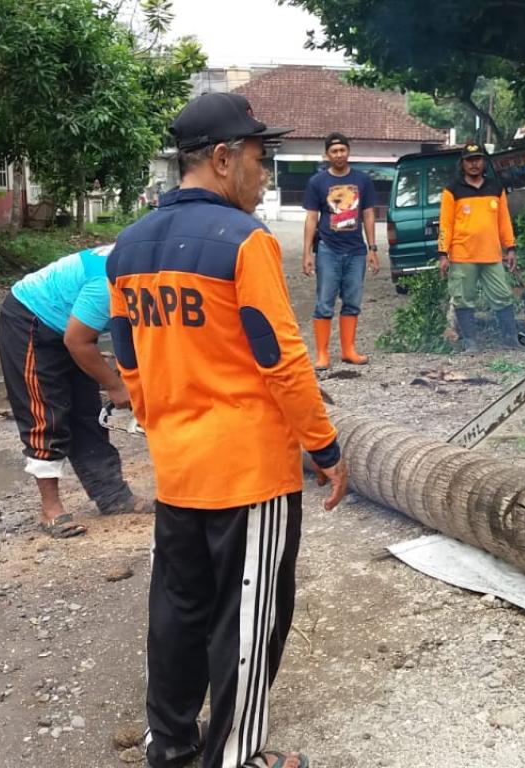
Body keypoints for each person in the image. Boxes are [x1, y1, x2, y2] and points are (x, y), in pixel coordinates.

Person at [107, 91, 348, 768]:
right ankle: (236, 759)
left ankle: (171, 746)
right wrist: (323, 445)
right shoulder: (246, 241)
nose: (263, 175)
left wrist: (161, 427)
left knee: (178, 612)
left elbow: (127, 357)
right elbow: (281, 355)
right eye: (257, 159)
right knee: (249, 621)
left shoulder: (127, 247)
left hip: (178, 467)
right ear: (221, 158)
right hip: (248, 473)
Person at [0, 244, 146, 539]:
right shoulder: (111, 281)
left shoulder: (151, 269)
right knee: (45, 412)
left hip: (73, 325)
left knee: (87, 413)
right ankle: (50, 510)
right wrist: (115, 386)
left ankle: (113, 496)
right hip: (31, 318)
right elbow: (78, 342)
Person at [300, 132, 379, 369]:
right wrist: (307, 253)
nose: (338, 155)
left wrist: (372, 248)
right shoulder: (317, 182)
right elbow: (311, 218)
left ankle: (348, 350)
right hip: (328, 249)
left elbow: (368, 214)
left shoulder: (362, 181)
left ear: (348, 151)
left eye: (342, 150)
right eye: (333, 151)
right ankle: (322, 354)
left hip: (356, 250)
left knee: (352, 301)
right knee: (324, 302)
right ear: (327, 155)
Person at [437, 142, 519, 351]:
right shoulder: (452, 190)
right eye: (469, 160)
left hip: (492, 255)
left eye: (478, 159)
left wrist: (510, 248)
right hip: (462, 255)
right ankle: (471, 343)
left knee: (503, 296)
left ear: (484, 162)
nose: (474, 164)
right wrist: (443, 254)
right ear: (462, 163)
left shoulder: (496, 188)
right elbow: (445, 225)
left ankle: (511, 340)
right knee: (464, 300)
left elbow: (504, 221)